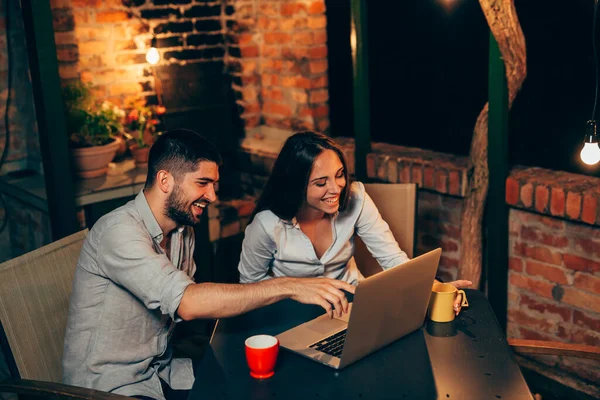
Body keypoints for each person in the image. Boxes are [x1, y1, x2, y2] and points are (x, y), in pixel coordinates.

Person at [62, 129, 355, 400]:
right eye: (202, 183)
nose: (212, 196)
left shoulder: (182, 229)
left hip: (163, 371)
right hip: (110, 389)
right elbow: (188, 302)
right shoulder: (118, 232)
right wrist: (290, 285)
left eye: (214, 185)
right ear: (165, 180)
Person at [238, 131, 471, 305]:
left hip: (353, 305)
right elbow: (249, 287)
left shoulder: (356, 197)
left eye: (339, 175)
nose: (336, 188)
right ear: (296, 185)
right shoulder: (266, 224)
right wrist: (291, 290)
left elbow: (392, 258)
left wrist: (435, 288)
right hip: (292, 313)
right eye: (321, 183)